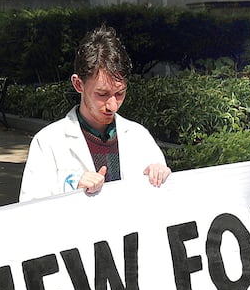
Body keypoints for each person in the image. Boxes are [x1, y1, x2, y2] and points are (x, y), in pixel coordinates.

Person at [19, 25, 171, 201]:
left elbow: (162, 205)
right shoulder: (48, 142)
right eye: (102, 94)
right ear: (78, 84)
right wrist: (71, 187)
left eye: (120, 93)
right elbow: (30, 209)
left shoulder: (139, 137)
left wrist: (161, 175)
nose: (112, 106)